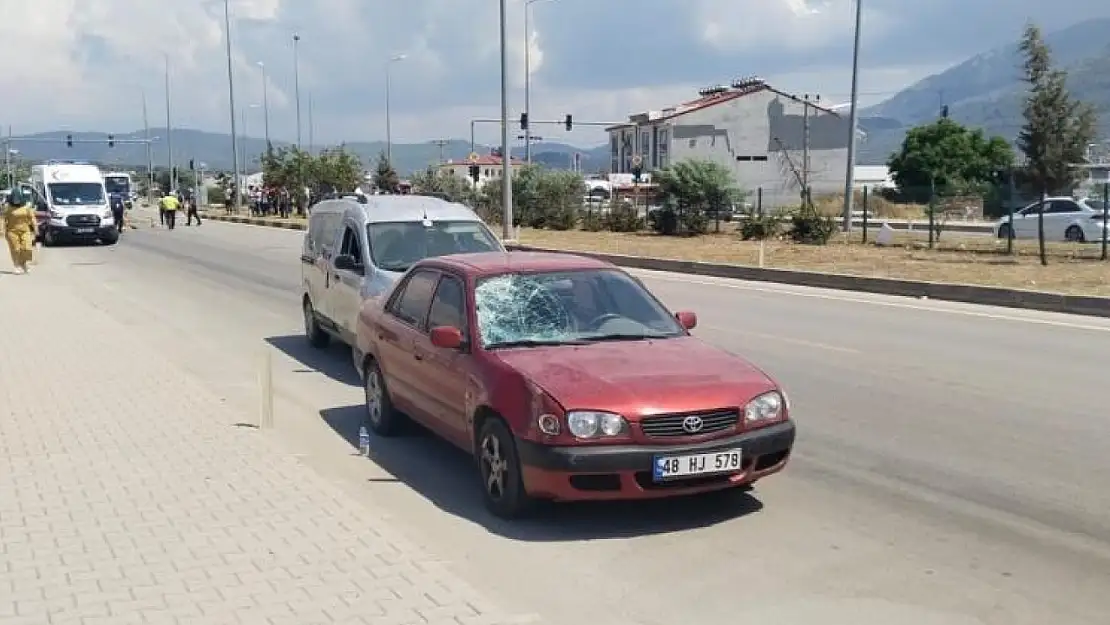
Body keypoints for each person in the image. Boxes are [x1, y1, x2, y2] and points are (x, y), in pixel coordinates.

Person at [2, 188, 37, 273]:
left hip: (25, 230)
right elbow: (3, 219)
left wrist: (35, 228)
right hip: (12, 231)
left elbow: (32, 218)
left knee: (27, 248)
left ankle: (24, 263)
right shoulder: (8, 208)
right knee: (16, 249)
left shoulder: (26, 207)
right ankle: (16, 266)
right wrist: (3, 230)